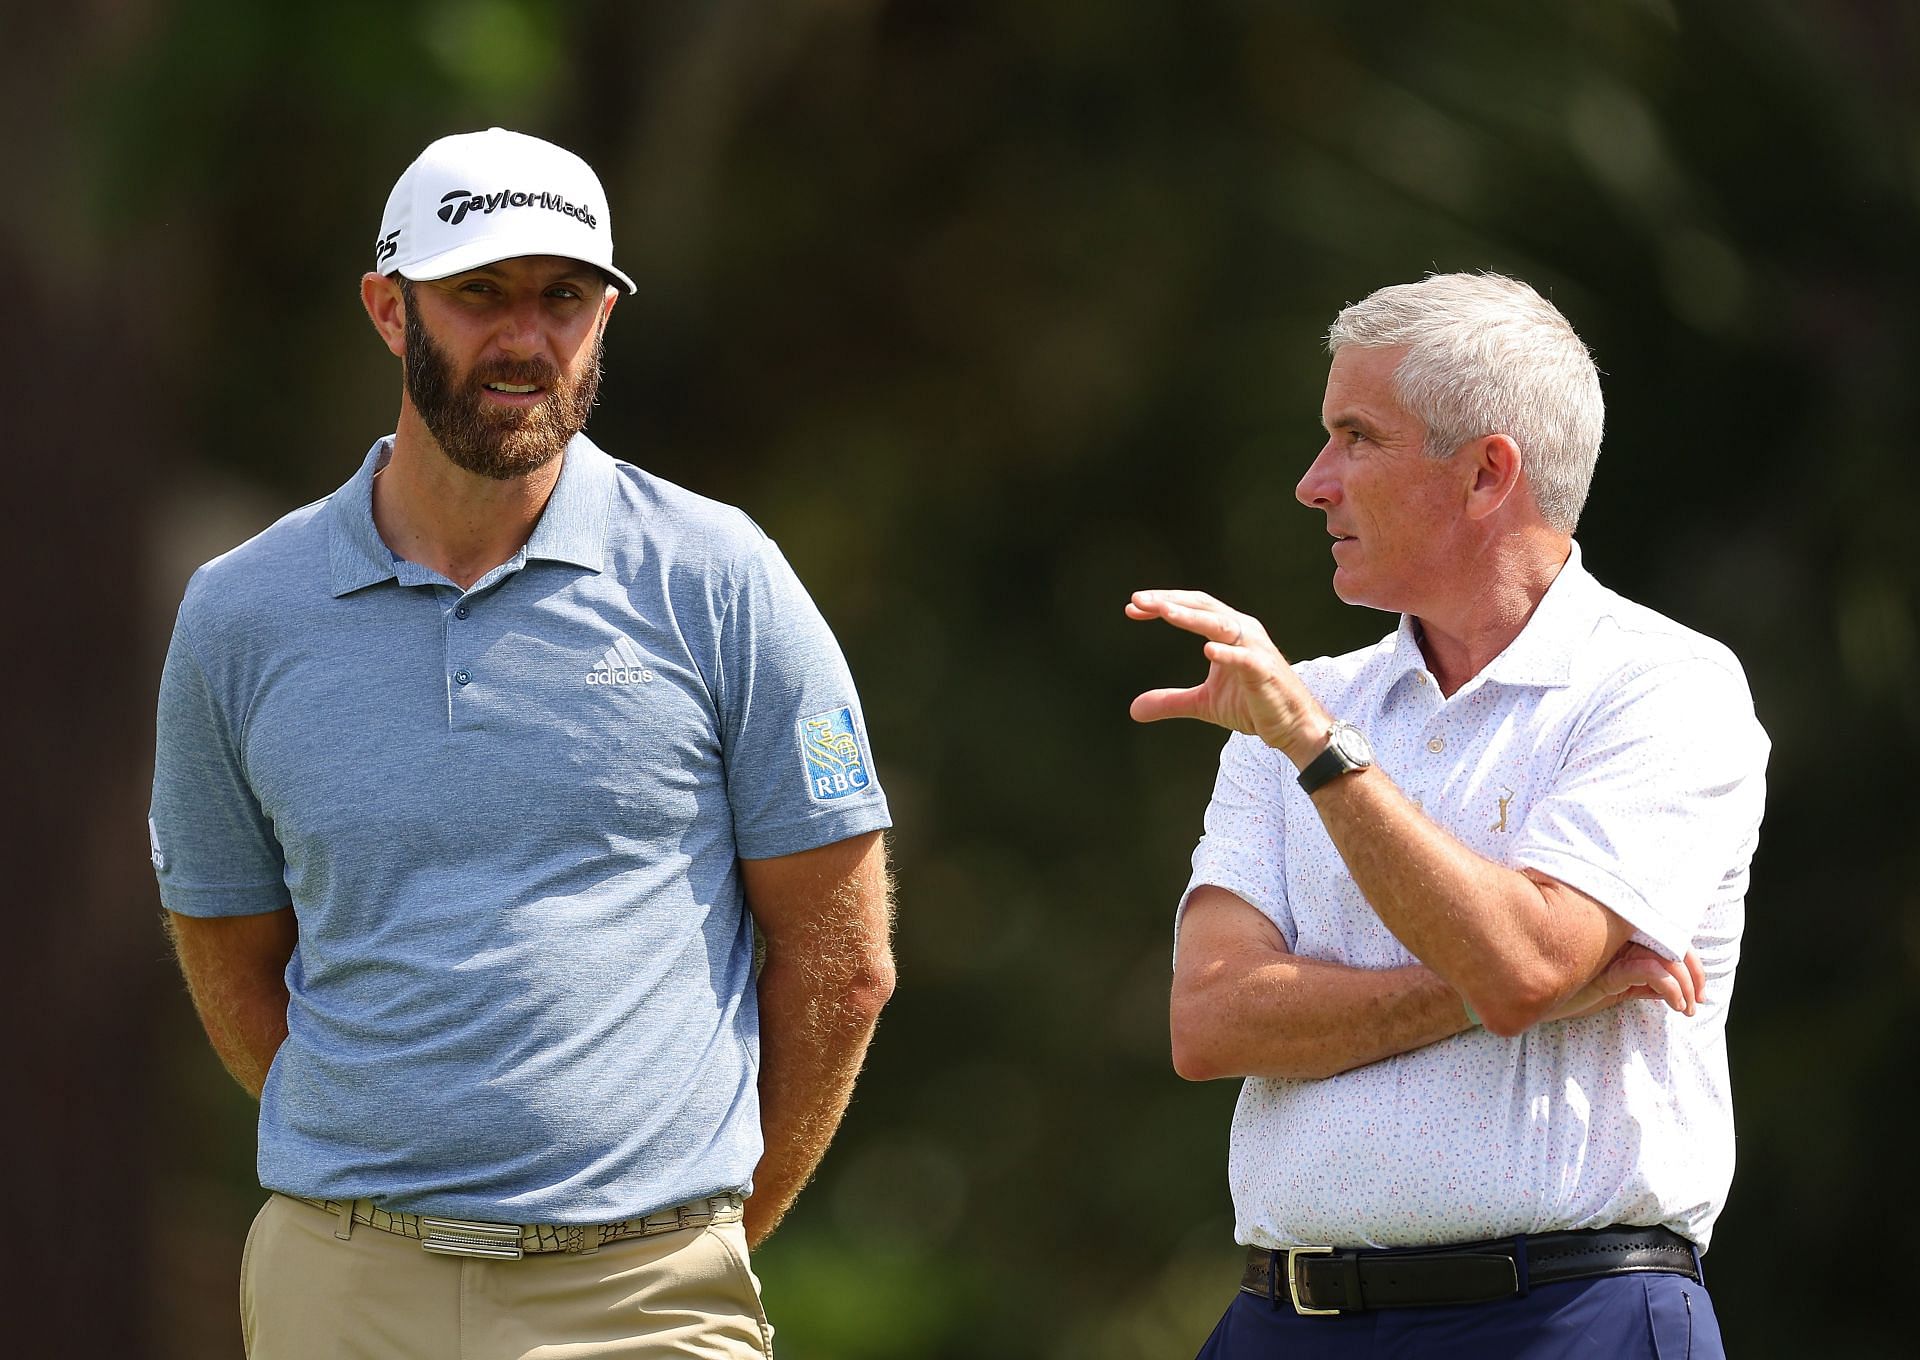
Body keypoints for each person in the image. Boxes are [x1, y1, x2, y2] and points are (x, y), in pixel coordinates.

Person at [149, 128, 895, 1359]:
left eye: (563, 297)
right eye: (478, 294)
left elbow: (841, 953)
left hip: (648, 1292)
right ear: (390, 310)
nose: (525, 338)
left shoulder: (721, 579)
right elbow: (228, 947)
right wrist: (385, 1146)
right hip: (345, 1288)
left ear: (603, 315)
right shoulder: (241, 613)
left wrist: (704, 1230)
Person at [1127, 272, 1767, 1359]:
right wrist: (1499, 993)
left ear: (1486, 473)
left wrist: (1319, 752)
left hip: (1568, 1320)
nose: (1312, 483)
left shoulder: (1666, 687)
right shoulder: (1295, 700)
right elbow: (1212, 1020)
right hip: (1284, 1322)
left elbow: (1522, 962)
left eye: (1357, 437)